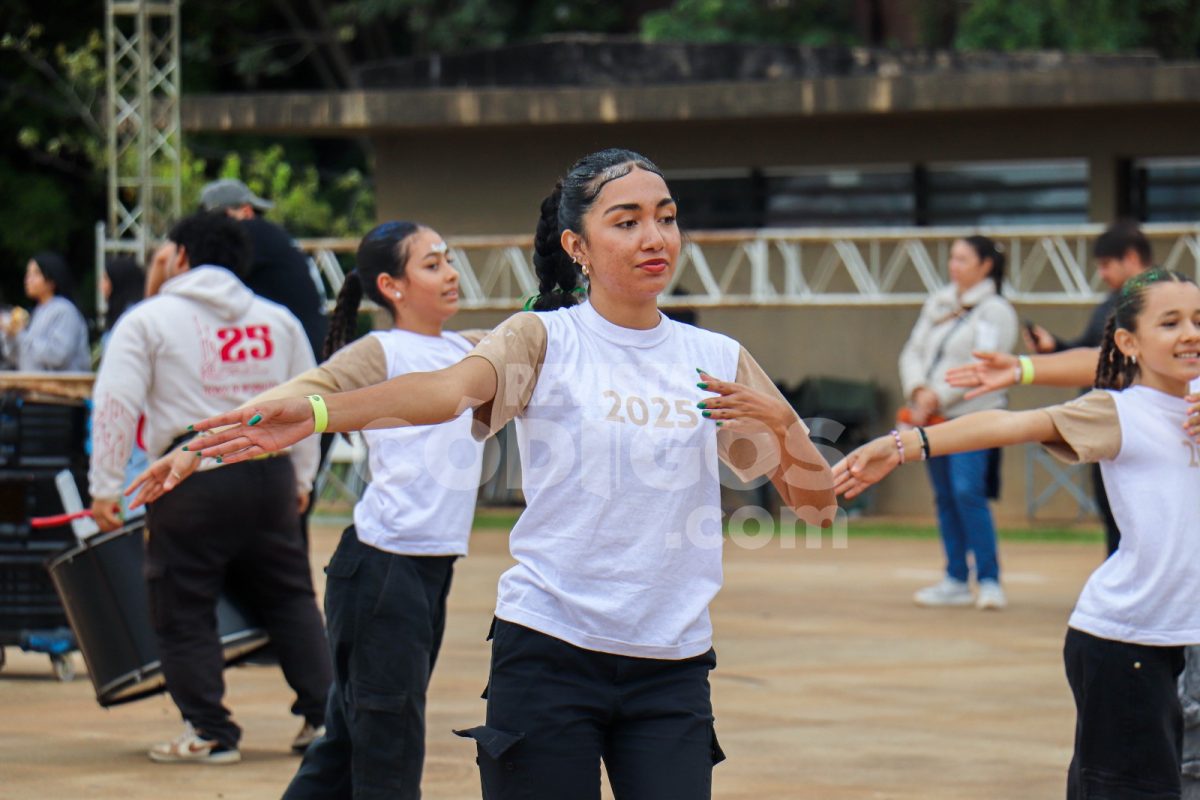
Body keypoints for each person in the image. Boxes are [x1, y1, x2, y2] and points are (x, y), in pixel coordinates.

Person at [184, 148, 837, 798]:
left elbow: (815, 507)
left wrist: (783, 427)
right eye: (627, 221)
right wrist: (322, 411)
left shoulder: (715, 358)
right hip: (549, 652)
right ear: (577, 245)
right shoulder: (543, 340)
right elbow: (445, 392)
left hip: (672, 668)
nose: (654, 237)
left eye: (666, 218)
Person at [130, 220, 490, 797]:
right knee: (388, 748)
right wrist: (191, 453)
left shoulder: (470, 351)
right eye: (432, 264)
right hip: (382, 573)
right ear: (390, 286)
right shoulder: (382, 351)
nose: (450, 274)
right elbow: (293, 393)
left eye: (448, 260)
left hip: (427, 570)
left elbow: (540, 342)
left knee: (347, 743)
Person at [834, 269, 1200, 799]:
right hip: (1127, 642)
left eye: (1198, 320)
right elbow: (1013, 425)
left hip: (1180, 641)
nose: (1190, 332)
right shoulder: (1117, 411)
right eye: (1170, 323)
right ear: (1128, 342)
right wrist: (902, 445)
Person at [89, 210, 332, 764]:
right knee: (290, 597)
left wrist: (105, 486)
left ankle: (210, 731)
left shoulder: (148, 319)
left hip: (190, 471)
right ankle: (323, 720)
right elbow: (311, 402)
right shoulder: (278, 320)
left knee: (182, 602)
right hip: (269, 470)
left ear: (178, 256)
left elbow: (115, 405)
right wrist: (301, 478)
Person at [897, 235, 1018, 610]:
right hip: (932, 416)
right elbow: (913, 352)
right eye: (952, 258)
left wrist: (937, 394)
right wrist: (919, 390)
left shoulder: (995, 310)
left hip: (973, 414)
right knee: (945, 496)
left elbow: (984, 365)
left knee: (968, 492)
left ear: (986, 265)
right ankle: (954, 578)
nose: (954, 265)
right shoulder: (939, 302)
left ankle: (989, 579)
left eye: (963, 259)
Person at [1023, 220, 1153, 555]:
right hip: (1105, 422)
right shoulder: (1109, 304)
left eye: (1106, 264)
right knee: (1113, 512)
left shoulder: (1162, 301)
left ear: (1131, 257)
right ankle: (1122, 589)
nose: (1102, 273)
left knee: (1146, 515)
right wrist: (1053, 348)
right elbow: (1090, 355)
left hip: (1145, 426)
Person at [201, 178, 328, 359]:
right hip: (311, 344)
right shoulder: (273, 237)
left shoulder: (247, 232)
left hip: (298, 351)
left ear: (245, 212)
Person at [1, 252, 90, 372]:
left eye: (36, 274)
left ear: (52, 280)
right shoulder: (38, 312)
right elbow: (21, 357)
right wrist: (10, 335)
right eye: (28, 274)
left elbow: (58, 356)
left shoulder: (64, 310)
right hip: (35, 387)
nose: (28, 279)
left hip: (61, 388)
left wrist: (20, 334)